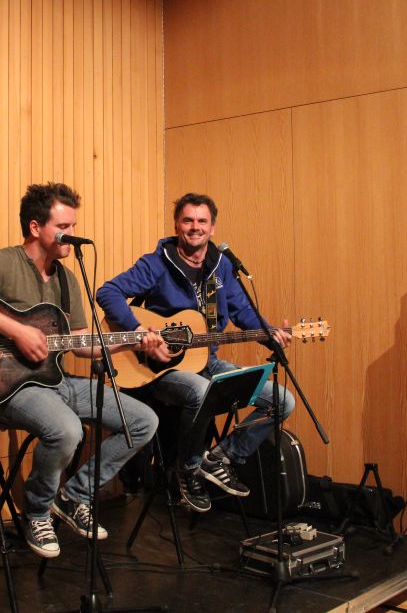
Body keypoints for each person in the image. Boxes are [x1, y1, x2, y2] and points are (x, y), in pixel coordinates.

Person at [0, 182, 161, 558]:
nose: (71, 235)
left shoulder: (66, 278)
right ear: (35, 227)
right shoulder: (5, 262)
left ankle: (74, 496)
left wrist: (133, 341)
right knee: (67, 430)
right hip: (7, 386)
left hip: (54, 381)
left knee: (143, 421)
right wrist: (17, 330)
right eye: (63, 227)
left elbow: (82, 344)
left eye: (74, 226)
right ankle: (38, 512)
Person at [96, 193, 296, 512]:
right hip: (161, 370)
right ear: (177, 225)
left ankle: (218, 459)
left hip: (207, 361)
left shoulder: (221, 266)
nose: (195, 227)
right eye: (188, 220)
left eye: (202, 221)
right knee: (201, 392)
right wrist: (138, 330)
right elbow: (108, 292)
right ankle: (187, 469)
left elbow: (242, 310)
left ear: (212, 228)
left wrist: (269, 332)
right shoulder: (156, 264)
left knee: (282, 400)